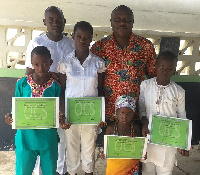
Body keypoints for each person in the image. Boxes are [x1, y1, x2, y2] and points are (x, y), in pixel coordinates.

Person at [25, 6, 74, 175]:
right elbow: (29, 74)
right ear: (44, 21)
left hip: (66, 96)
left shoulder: (71, 44)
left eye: (58, 19)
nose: (55, 23)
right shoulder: (36, 43)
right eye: (51, 20)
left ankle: (62, 171)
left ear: (64, 22)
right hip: (43, 98)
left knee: (63, 138)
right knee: (44, 139)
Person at [91, 5, 156, 121]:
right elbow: (91, 79)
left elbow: (154, 76)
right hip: (107, 115)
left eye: (126, 20)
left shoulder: (145, 46)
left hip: (136, 114)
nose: (122, 23)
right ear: (111, 22)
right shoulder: (99, 48)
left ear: (132, 22)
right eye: (117, 20)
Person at [57, 21, 106, 175]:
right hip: (71, 116)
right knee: (71, 151)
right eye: (79, 36)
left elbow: (101, 90)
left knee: (89, 151)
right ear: (73, 37)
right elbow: (62, 89)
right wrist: (63, 115)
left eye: (87, 37)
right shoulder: (65, 62)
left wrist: (101, 115)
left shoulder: (98, 63)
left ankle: (88, 172)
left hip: (91, 116)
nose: (83, 40)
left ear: (91, 38)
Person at [5, 46, 62, 175]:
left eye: (45, 64)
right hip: (26, 137)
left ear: (50, 63)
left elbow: (58, 110)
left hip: (48, 138)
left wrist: (61, 117)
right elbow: (15, 106)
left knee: (50, 171)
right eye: (36, 64)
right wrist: (10, 116)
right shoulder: (22, 83)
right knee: (22, 171)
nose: (40, 68)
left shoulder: (55, 86)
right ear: (31, 64)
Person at [139, 51, 189, 175]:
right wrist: (144, 123)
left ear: (174, 70)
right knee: (148, 169)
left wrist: (184, 143)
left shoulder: (179, 91)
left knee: (165, 170)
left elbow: (182, 116)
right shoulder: (145, 85)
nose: (165, 71)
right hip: (149, 136)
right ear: (156, 66)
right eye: (162, 67)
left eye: (169, 68)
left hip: (169, 141)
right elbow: (142, 109)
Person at [102, 95, 140, 174]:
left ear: (133, 114)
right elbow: (105, 146)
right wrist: (104, 153)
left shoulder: (135, 129)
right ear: (116, 113)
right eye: (121, 113)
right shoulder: (111, 128)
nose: (124, 117)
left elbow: (139, 147)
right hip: (114, 168)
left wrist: (142, 154)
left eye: (129, 114)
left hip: (131, 168)